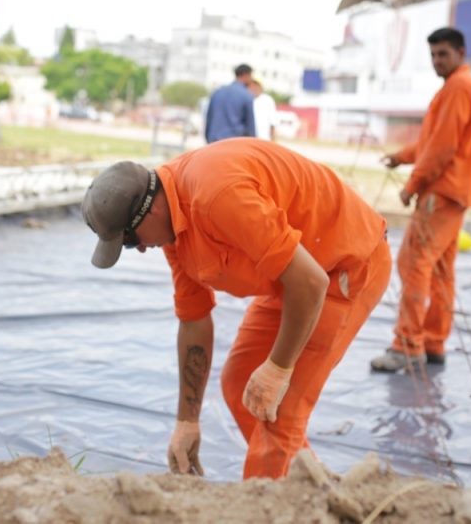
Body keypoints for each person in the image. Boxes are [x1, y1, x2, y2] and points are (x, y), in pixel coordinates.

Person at [81, 138, 391, 479]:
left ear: (150, 211)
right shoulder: (173, 225)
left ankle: (266, 507)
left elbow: (311, 283)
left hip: (342, 267)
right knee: (240, 380)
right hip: (294, 276)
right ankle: (305, 483)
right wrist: (187, 420)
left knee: (280, 409)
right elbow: (194, 320)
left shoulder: (217, 196)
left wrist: (278, 369)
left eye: (130, 239)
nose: (138, 249)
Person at [370, 27, 471, 373]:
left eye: (443, 54)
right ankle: (433, 343)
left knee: (413, 264)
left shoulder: (458, 88)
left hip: (440, 192)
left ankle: (406, 346)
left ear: (461, 54)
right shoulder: (458, 88)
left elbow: (442, 148)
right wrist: (401, 157)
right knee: (439, 271)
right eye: (433, 55)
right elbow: (432, 142)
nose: (437, 61)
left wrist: (412, 185)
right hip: (454, 193)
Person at [204, 64, 256, 143]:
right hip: (233, 142)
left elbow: (209, 117)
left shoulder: (218, 92)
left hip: (214, 140)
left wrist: (208, 138)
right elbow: (250, 125)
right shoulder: (246, 95)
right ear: (246, 75)